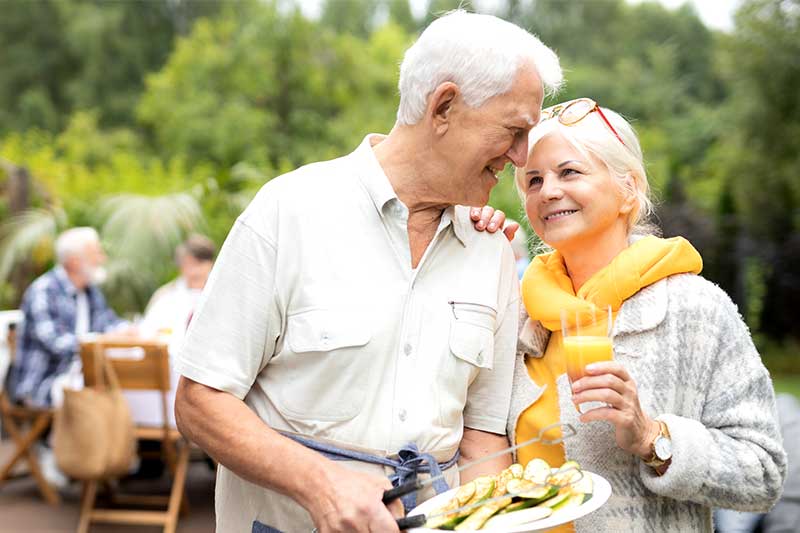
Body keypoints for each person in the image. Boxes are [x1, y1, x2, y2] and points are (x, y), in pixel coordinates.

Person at [173, 10, 562, 533]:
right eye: (513, 131)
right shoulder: (289, 211)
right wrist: (319, 483)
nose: (520, 157)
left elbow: (482, 436)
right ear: (443, 107)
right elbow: (200, 402)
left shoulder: (490, 250)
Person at [507, 98, 786, 532]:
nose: (548, 191)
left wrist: (651, 437)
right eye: (533, 180)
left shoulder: (696, 310)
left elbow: (763, 474)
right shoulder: (516, 311)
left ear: (628, 190)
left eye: (569, 172)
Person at [6, 227, 130, 487]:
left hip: (80, 373)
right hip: (43, 381)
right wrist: (99, 342)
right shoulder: (44, 290)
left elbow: (110, 323)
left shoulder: (90, 291)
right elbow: (54, 342)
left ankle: (113, 455)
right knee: (97, 392)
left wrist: (126, 331)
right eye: (96, 252)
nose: (102, 258)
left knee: (121, 387)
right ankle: (67, 453)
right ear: (75, 261)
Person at [141, 233, 216, 344]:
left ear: (211, 264)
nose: (194, 271)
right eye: (188, 264)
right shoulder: (164, 296)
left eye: (199, 263)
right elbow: (147, 333)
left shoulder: (221, 295)